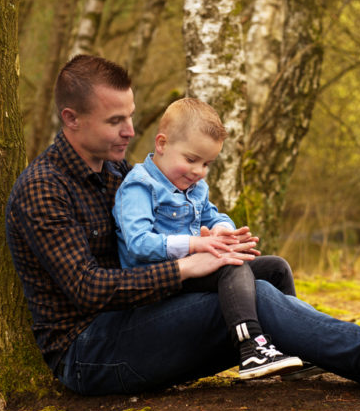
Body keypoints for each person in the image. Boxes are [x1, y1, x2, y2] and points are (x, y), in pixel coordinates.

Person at [5, 54, 360, 411]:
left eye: (131, 116)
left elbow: (177, 223)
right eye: (115, 120)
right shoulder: (43, 189)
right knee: (253, 300)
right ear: (71, 119)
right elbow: (88, 288)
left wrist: (216, 240)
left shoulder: (116, 173)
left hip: (139, 319)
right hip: (91, 352)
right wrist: (187, 265)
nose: (129, 131)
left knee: (259, 273)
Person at [113, 97, 302, 379]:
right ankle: (250, 347)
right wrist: (195, 244)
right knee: (229, 265)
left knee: (276, 267)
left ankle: (294, 341)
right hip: (158, 283)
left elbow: (212, 216)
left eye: (207, 164)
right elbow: (138, 243)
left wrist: (222, 230)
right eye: (191, 160)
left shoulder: (194, 186)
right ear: (162, 144)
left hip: (195, 273)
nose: (199, 171)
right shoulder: (140, 186)